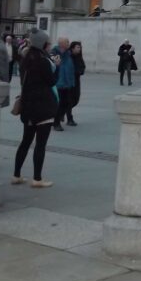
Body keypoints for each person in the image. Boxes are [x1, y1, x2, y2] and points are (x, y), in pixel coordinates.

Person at [13, 28, 58, 188]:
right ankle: (37, 178)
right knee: (40, 144)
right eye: (48, 43)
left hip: (28, 105)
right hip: (43, 106)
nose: (50, 46)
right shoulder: (42, 61)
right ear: (43, 44)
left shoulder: (25, 60)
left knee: (25, 141)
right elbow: (52, 81)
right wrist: (56, 66)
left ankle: (16, 174)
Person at [50, 37, 77, 129]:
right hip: (58, 83)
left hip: (67, 83)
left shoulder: (68, 54)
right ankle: (56, 122)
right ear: (61, 44)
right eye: (67, 42)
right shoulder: (54, 53)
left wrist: (71, 81)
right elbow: (54, 65)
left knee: (67, 103)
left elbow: (70, 68)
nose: (69, 43)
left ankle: (57, 120)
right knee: (60, 103)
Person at [69, 41, 86, 120]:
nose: (79, 49)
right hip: (69, 81)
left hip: (76, 81)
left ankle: (63, 112)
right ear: (72, 48)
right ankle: (69, 117)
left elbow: (82, 66)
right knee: (68, 99)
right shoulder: (69, 57)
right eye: (78, 47)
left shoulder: (79, 57)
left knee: (76, 99)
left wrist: (80, 71)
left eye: (80, 47)